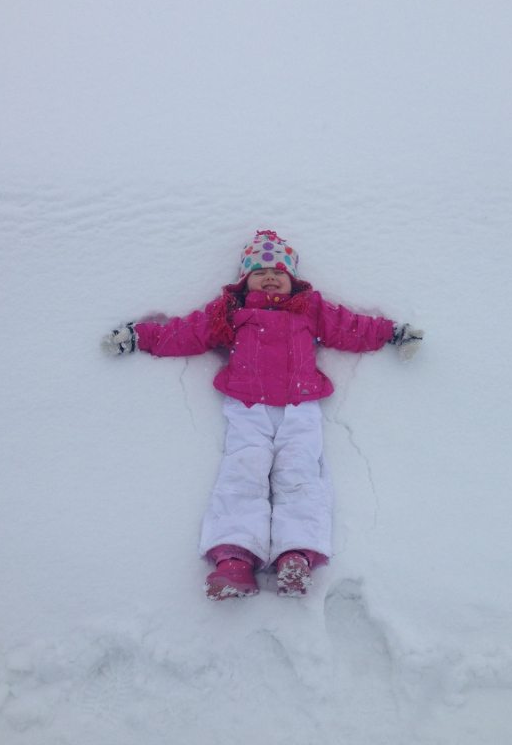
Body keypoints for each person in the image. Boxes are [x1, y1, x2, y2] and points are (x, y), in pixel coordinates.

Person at [102, 230, 423, 600]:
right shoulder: (229, 312)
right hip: (248, 408)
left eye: (278, 271)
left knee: (300, 474)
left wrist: (394, 334)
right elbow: (186, 333)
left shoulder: (311, 309)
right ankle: (235, 558)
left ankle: (295, 554)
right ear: (244, 280)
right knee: (243, 473)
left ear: (293, 279)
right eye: (259, 271)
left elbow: (352, 327)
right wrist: (140, 337)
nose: (270, 276)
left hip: (300, 409)